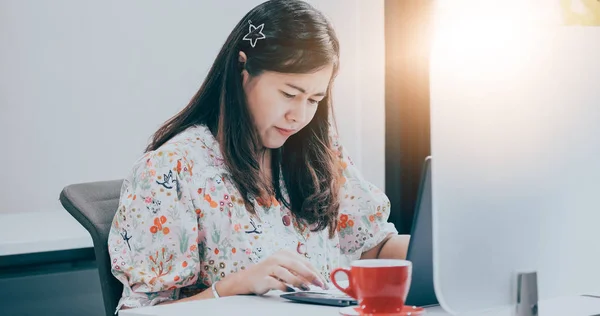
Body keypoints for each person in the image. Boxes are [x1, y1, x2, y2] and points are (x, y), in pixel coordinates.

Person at [108, 0, 410, 311]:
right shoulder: (170, 171)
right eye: (289, 94)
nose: (299, 115)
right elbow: (141, 312)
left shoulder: (318, 154)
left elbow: (375, 248)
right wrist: (234, 287)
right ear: (243, 68)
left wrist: (440, 250)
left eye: (314, 99)